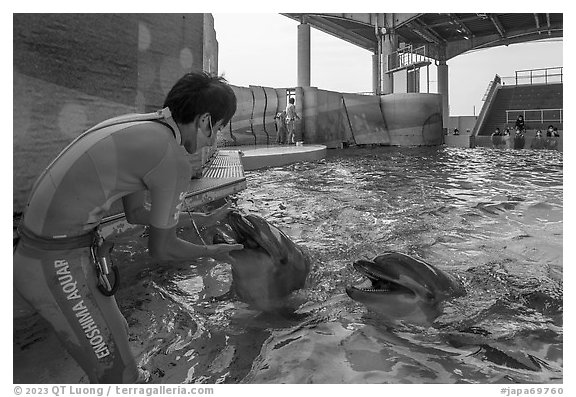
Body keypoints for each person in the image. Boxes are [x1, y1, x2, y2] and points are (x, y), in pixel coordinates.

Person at [13, 72, 244, 384]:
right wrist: (211, 253)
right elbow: (162, 249)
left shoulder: (147, 126)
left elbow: (136, 213)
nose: (213, 141)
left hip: (46, 248)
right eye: (216, 129)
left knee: (118, 331)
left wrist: (200, 221)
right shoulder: (172, 158)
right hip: (54, 266)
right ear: (204, 121)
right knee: (119, 376)